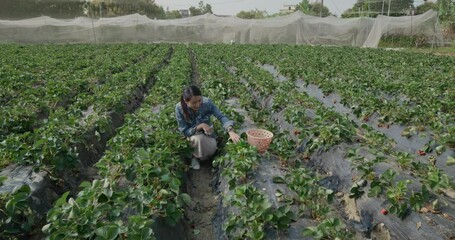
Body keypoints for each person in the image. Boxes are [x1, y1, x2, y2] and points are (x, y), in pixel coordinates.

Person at [175, 85, 240, 170]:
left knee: (211, 148)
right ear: (185, 101)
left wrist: (230, 131)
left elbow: (221, 116)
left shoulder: (207, 103)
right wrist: (200, 126)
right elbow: (184, 131)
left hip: (208, 133)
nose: (198, 104)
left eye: (199, 100)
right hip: (192, 136)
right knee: (198, 139)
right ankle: (194, 158)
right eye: (194, 103)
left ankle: (208, 158)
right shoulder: (179, 108)